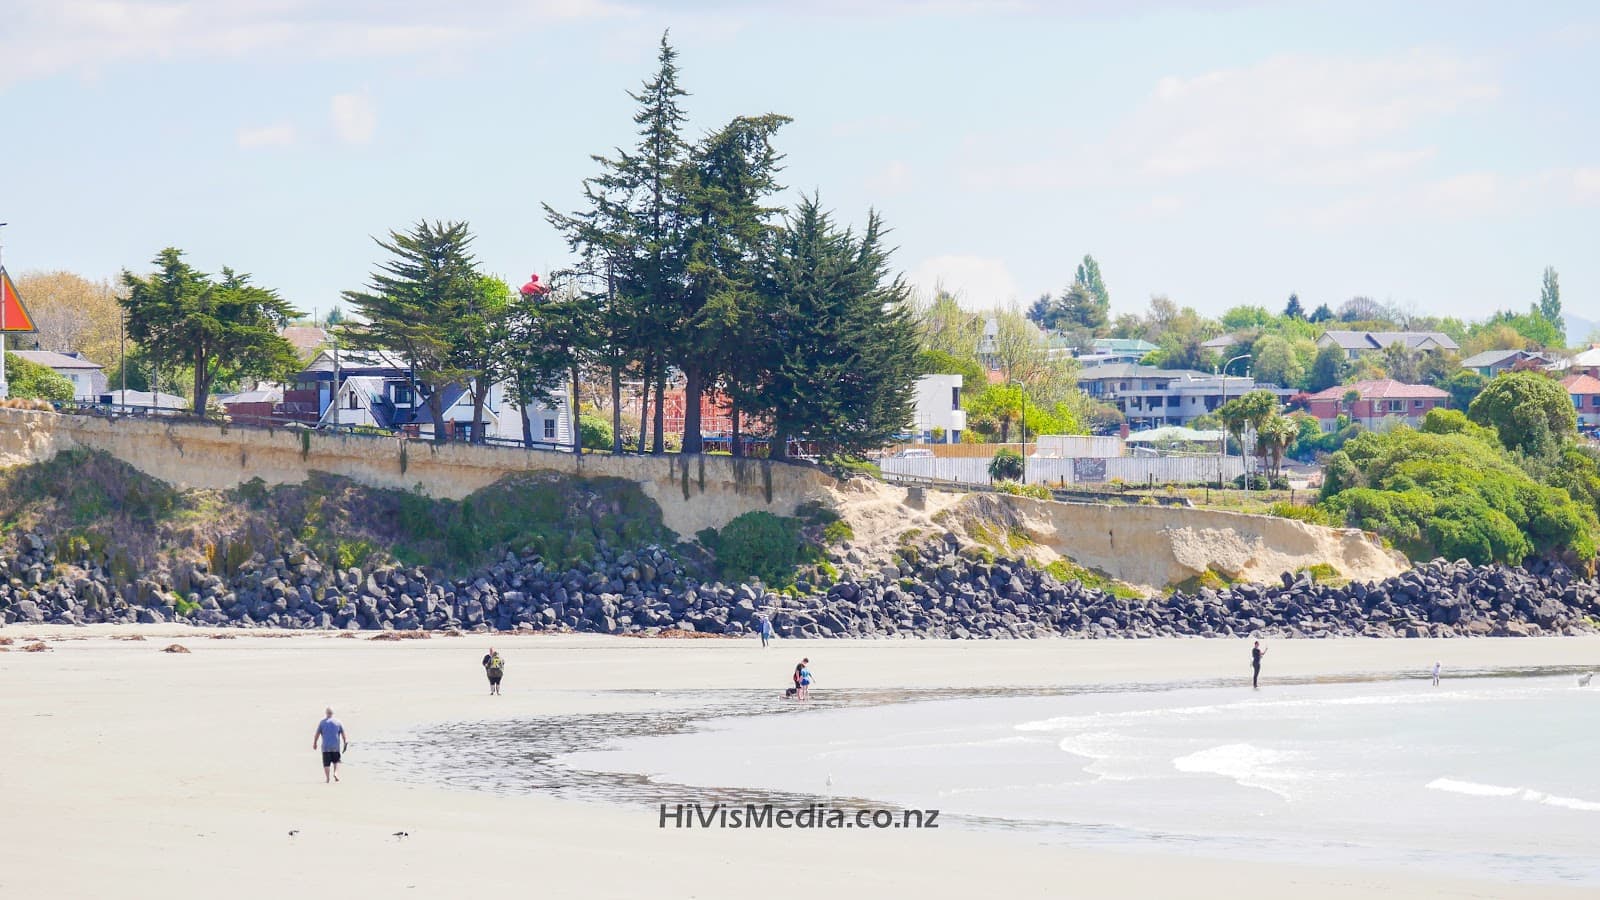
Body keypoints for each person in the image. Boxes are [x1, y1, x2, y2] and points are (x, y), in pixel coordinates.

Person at [312, 707, 347, 783]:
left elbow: (317, 734)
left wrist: (315, 743)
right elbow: (343, 734)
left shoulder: (322, 723)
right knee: (336, 761)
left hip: (325, 747)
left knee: (326, 763)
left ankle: (327, 779)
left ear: (326, 713)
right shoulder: (338, 722)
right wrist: (345, 743)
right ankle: (336, 773)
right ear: (332, 713)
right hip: (335, 746)